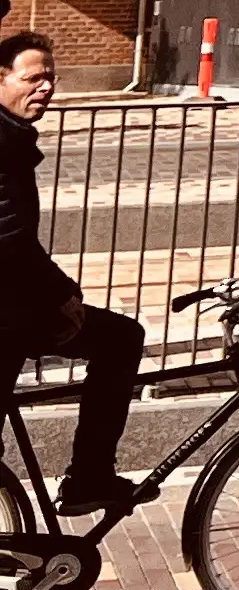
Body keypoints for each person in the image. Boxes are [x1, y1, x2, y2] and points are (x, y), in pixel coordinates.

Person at [0, 30, 144, 518]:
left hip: (14, 308)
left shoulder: (13, 139)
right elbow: (7, 240)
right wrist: (62, 294)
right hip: (6, 316)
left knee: (120, 337)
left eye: (51, 78)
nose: (45, 87)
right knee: (122, 340)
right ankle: (88, 479)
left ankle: (90, 478)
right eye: (32, 77)